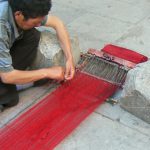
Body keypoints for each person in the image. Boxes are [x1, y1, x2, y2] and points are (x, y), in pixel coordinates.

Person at [0, 0, 75, 111]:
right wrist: (47, 72)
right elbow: (7, 77)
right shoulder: (1, 28)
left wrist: (69, 58)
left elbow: (57, 23)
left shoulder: (23, 7)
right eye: (36, 22)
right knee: (11, 98)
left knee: (32, 35)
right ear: (18, 15)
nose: (40, 25)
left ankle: (15, 78)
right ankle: (14, 83)